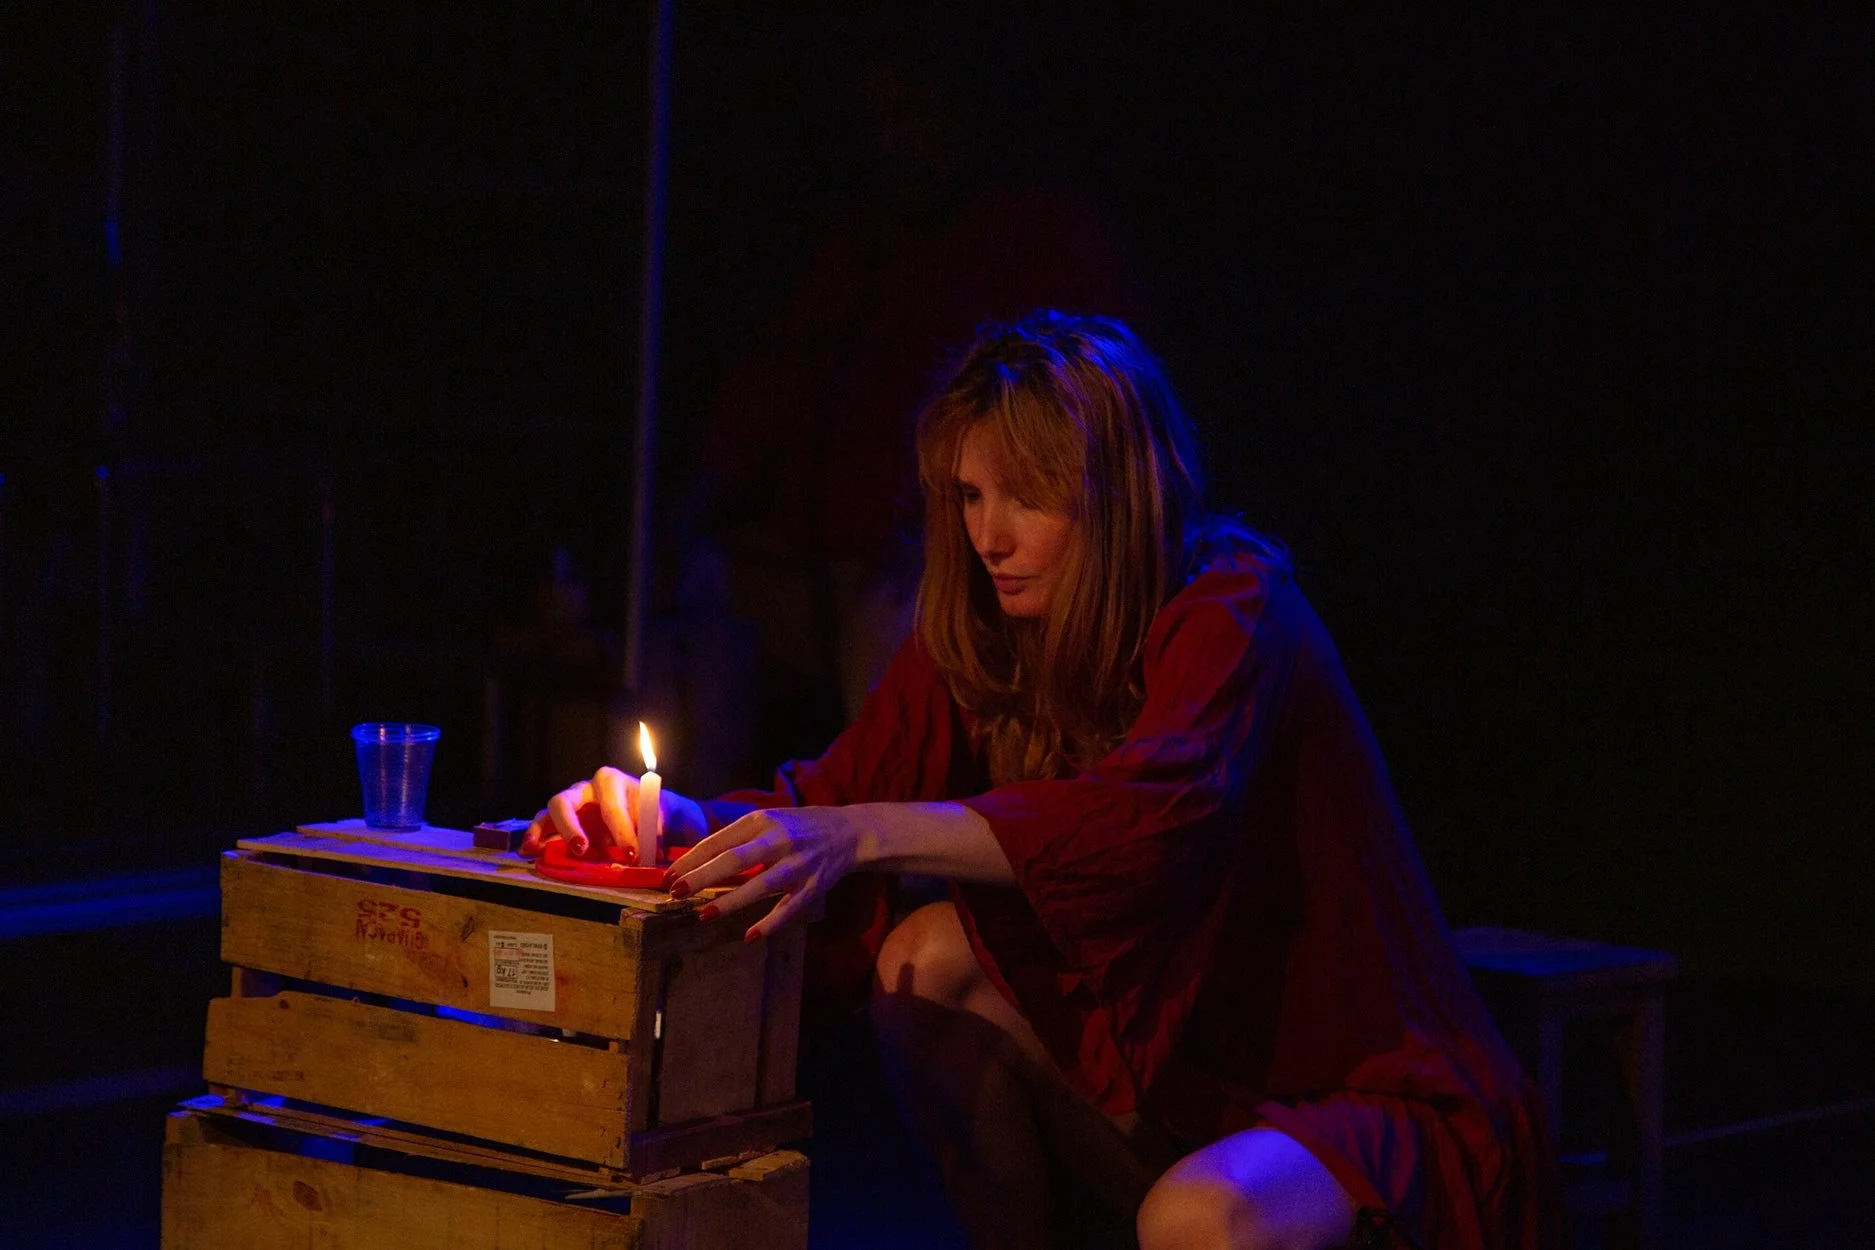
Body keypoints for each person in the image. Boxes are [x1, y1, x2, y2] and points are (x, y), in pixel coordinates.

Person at [523, 312, 1560, 1249]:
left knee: (1194, 1216)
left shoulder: (1235, 606)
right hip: (1179, 1080)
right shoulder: (990, 625)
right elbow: (835, 796)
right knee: (921, 959)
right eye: (971, 496)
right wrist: (672, 820)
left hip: (1353, 1095)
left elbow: (1144, 822)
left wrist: (865, 832)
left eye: (1026, 496)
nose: (989, 536)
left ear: (1117, 493)